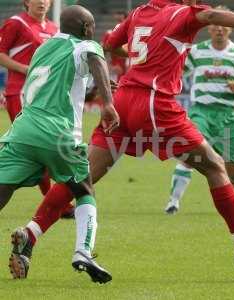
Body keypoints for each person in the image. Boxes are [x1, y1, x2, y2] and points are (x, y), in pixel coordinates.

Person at [10, 0, 234, 279]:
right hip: (154, 103)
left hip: (123, 100)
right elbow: (211, 14)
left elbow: (110, 44)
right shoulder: (182, 13)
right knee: (213, 166)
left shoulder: (139, 12)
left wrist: (140, 62)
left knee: (82, 175)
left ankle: (31, 233)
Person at [0, 5, 119, 283]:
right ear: (87, 28)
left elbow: (65, 80)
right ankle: (83, 251)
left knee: (3, 188)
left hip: (22, 130)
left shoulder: (44, 47)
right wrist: (108, 104)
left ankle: (29, 238)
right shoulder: (86, 44)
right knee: (84, 188)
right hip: (58, 133)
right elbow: (95, 59)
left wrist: (97, 87)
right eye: (91, 26)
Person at [165, 5, 234, 214]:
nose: (219, 29)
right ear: (209, 27)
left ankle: (229, 202)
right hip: (201, 112)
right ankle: (173, 202)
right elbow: (177, 73)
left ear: (230, 29)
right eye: (215, 24)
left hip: (229, 115)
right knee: (189, 154)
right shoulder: (197, 52)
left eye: (224, 25)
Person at [0, 0, 75, 218]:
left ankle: (57, 202)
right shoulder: (16, 23)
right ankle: (59, 204)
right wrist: (24, 68)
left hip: (47, 97)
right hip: (20, 93)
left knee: (37, 148)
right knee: (37, 146)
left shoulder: (54, 29)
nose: (42, 2)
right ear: (26, 2)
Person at [102, 11, 128, 83]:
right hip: (117, 71)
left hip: (131, 70)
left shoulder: (133, 33)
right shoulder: (110, 33)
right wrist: (110, 67)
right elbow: (103, 51)